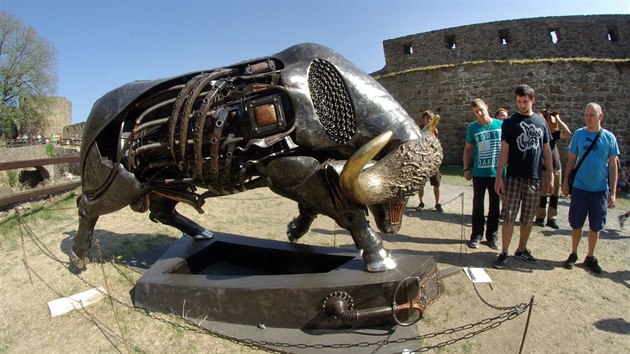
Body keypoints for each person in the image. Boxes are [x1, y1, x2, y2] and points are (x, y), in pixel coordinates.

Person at [492, 84, 553, 269]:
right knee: (509, 216)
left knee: (528, 218)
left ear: (532, 100)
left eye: (525, 102)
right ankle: (504, 252)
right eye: (519, 102)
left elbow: (547, 150)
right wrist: (499, 176)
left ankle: (521, 249)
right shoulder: (509, 123)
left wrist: (550, 176)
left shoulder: (541, 122)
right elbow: (504, 150)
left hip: (533, 177)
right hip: (512, 177)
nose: (522, 105)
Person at [562, 102, 619, 274]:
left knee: (596, 226)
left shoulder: (609, 138)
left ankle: (590, 256)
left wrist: (613, 192)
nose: (588, 118)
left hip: (600, 190)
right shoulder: (579, 135)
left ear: (600, 116)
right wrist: (565, 182)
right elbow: (571, 160)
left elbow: (612, 166)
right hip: (580, 188)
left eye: (592, 115)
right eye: (586, 115)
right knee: (576, 223)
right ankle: (573, 253)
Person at [463, 98, 502, 250]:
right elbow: (467, 149)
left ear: (487, 106)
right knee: (478, 205)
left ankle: (492, 237)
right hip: (480, 173)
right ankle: (476, 236)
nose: (479, 113)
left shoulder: (501, 125)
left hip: (497, 174)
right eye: (476, 112)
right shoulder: (473, 128)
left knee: (495, 206)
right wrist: (466, 168)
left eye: (480, 109)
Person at [534, 110, 572, 229]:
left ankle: (552, 218)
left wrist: (558, 120)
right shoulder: (538, 135)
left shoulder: (553, 134)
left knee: (555, 195)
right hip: (545, 169)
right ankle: (540, 217)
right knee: (543, 194)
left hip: (557, 168)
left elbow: (568, 133)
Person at [416, 110, 443, 212]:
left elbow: (436, 144)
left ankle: (437, 203)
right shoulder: (418, 129)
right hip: (422, 161)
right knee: (420, 184)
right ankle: (421, 202)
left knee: (437, 183)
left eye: (431, 118)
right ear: (423, 119)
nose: (429, 120)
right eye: (427, 118)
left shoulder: (435, 130)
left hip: (433, 161)